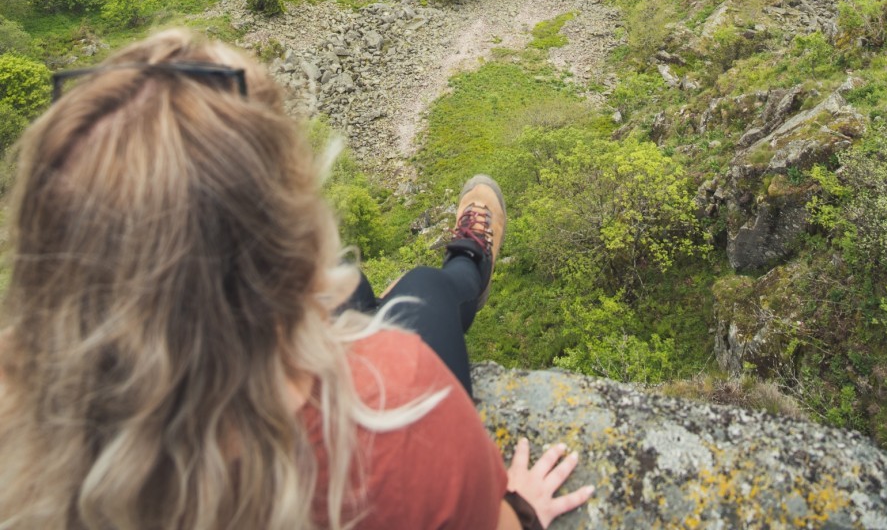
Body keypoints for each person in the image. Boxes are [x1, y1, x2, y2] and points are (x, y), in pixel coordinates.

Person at [0, 29, 595, 530]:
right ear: (284, 242)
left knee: (349, 285)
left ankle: (384, 293)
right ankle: (466, 262)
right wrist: (520, 508)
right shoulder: (399, 421)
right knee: (425, 290)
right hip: (368, 401)